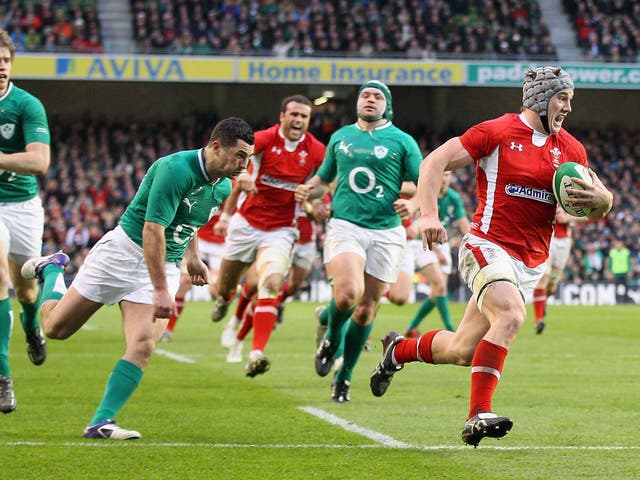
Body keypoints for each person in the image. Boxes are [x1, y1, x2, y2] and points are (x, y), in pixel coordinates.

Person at [369, 66, 613, 447]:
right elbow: (433, 162)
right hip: (486, 244)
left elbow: (596, 205)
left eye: (570, 100)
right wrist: (428, 215)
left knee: (462, 349)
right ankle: (477, 414)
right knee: (512, 316)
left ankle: (396, 351)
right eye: (561, 98)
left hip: (530, 262)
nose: (567, 107)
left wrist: (605, 201)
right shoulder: (497, 131)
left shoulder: (571, 150)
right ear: (539, 98)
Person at [20, 117, 254, 439]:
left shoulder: (224, 185)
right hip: (123, 253)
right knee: (55, 329)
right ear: (216, 147)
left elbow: (190, 220)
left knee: (143, 344)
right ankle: (53, 271)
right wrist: (161, 290)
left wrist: (193, 257)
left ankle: (101, 422)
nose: (244, 164)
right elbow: (153, 229)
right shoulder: (175, 169)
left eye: (249, 158)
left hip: (165, 264)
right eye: (240, 155)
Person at [297, 80, 423, 403]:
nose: (370, 100)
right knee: (348, 294)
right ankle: (330, 339)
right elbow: (322, 179)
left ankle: (344, 378)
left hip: (386, 231)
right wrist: (307, 190)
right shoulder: (340, 137)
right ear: (357, 102)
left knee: (366, 311)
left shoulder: (402, 141)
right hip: (346, 225)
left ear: (388, 105)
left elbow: (426, 183)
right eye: (365, 95)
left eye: (377, 96)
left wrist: (414, 204)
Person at [211, 94, 326, 377]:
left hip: (282, 229)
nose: (298, 120)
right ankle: (225, 301)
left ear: (308, 121)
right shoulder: (265, 138)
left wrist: (311, 193)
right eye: (294, 115)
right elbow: (241, 157)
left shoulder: (315, 149)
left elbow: (326, 183)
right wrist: (244, 173)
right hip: (247, 223)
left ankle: (256, 352)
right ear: (282, 116)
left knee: (272, 282)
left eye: (304, 116)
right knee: (225, 288)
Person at [0, 30, 50, 414]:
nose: (1, 67)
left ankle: (32, 325)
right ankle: (3, 377)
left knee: (27, 290)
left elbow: (39, 162)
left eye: (5, 61)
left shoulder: (26, 105)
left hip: (23, 206)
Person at [403, 171, 470, 335]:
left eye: (448, 175)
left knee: (436, 293)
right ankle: (450, 327)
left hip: (443, 244)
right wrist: (438, 253)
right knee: (439, 285)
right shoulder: (426, 194)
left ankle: (411, 327)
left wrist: (472, 244)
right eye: (442, 174)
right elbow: (421, 224)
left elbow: (463, 222)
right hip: (424, 243)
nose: (445, 179)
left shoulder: (453, 197)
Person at [160, 212, 227, 341]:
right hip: (199, 240)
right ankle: (168, 330)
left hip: (221, 245)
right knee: (184, 281)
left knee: (215, 291)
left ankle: (227, 305)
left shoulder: (230, 193)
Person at [532, 207, 587, 334]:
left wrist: (569, 218)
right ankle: (539, 320)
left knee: (551, 286)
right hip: (548, 239)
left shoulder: (571, 201)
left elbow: (589, 215)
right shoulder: (549, 194)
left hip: (565, 243)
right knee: (544, 277)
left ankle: (543, 301)